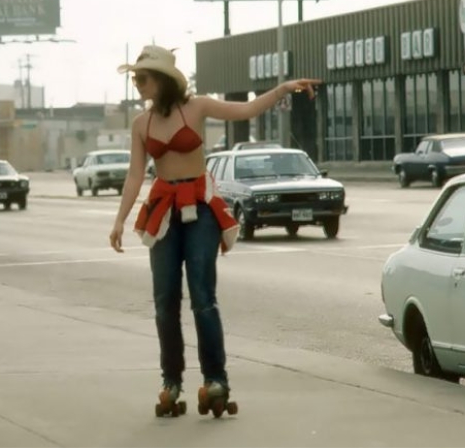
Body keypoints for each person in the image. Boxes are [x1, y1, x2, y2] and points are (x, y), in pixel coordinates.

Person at [109, 45, 321, 417]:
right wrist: (119, 219)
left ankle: (216, 378)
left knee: (203, 296)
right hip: (164, 210)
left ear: (161, 79)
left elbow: (246, 109)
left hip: (200, 207)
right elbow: (134, 174)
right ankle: (171, 381)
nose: (137, 83)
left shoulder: (198, 106)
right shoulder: (140, 124)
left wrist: (282, 89)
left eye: (142, 77)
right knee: (165, 301)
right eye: (134, 78)